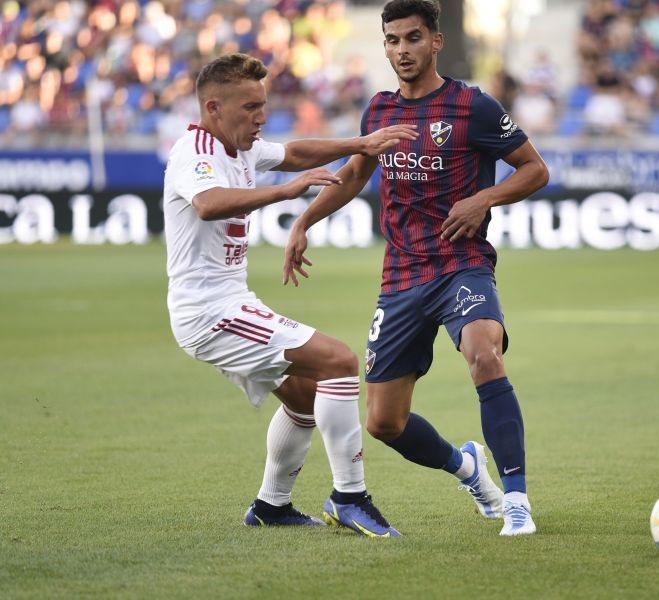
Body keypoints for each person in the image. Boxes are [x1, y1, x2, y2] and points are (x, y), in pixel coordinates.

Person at [283, 0, 549, 536]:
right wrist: (304, 221)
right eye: (391, 40)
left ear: (435, 41)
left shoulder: (471, 105)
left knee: (483, 354)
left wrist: (483, 200)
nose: (401, 50)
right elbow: (356, 173)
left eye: (411, 38)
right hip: (402, 274)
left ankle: (517, 500)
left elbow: (535, 170)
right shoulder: (378, 111)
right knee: (383, 422)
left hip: (461, 263)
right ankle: (468, 468)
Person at [163, 52, 418, 537]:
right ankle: (350, 496)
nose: (261, 116)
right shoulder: (194, 153)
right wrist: (286, 192)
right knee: (339, 361)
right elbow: (208, 204)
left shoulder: (240, 147)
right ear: (213, 108)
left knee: (303, 400)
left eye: (263, 105)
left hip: (232, 303)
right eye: (249, 107)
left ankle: (271, 506)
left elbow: (296, 153)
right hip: (209, 312)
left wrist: (361, 143)